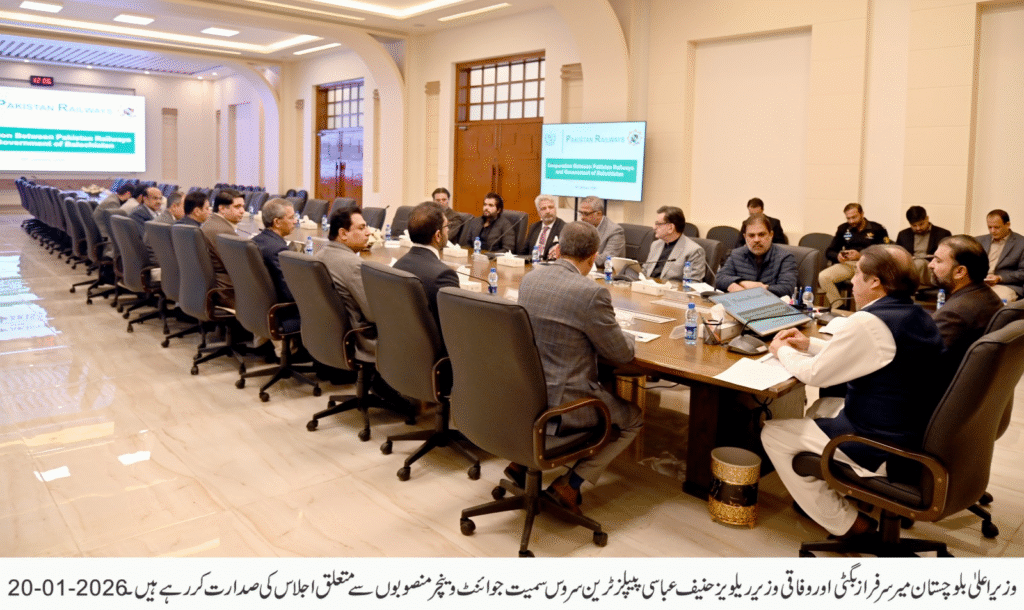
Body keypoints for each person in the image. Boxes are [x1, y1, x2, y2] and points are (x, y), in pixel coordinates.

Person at [761, 245, 943, 538]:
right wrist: (808, 345)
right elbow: (872, 353)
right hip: (911, 434)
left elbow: (814, 374)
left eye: (858, 273)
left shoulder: (868, 322)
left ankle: (849, 525)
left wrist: (781, 350)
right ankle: (830, 489)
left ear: (875, 282)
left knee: (772, 434)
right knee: (820, 408)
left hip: (880, 446)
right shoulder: (916, 314)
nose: (852, 280)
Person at [516, 221, 643, 513]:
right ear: (594, 256)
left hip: (528, 394)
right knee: (633, 418)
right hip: (565, 403)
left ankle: (519, 464)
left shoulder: (530, 279)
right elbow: (621, 353)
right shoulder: (591, 293)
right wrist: (627, 334)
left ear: (559, 249)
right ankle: (570, 485)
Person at [316, 206, 410, 408]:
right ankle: (394, 387)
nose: (369, 232)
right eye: (362, 227)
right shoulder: (353, 265)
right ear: (343, 233)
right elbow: (373, 314)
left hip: (330, 334)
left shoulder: (321, 254)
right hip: (359, 338)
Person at [928, 235, 1003, 379]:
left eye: (938, 261)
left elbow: (921, 362)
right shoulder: (987, 295)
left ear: (960, 272)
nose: (930, 265)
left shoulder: (954, 314)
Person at [394, 202, 460, 326]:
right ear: (438, 235)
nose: (448, 230)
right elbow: (456, 324)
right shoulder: (444, 276)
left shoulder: (397, 265)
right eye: (446, 226)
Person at [819, 203, 889, 307]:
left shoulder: (877, 229)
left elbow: (885, 252)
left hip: (868, 266)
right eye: (848, 218)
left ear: (862, 214)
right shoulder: (843, 228)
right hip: (848, 264)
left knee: (861, 286)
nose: (851, 221)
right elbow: (829, 251)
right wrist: (838, 256)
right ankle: (838, 306)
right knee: (823, 276)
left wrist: (861, 255)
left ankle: (860, 312)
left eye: (854, 217)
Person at [716, 213, 798, 297]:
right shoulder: (736, 254)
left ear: (771, 235)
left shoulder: (785, 257)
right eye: (751, 235)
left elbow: (788, 288)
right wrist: (742, 283)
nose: (756, 240)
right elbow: (719, 278)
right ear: (745, 237)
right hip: (741, 302)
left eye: (761, 234)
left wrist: (761, 288)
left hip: (770, 303)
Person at [201, 188, 246, 307]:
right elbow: (240, 268)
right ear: (222, 208)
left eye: (243, 206)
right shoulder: (223, 232)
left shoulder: (211, 223)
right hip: (227, 292)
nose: (242, 211)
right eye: (237, 207)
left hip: (213, 287)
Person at [642, 206, 706, 283]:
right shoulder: (655, 244)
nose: (654, 227)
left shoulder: (693, 251)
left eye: (658, 224)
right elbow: (644, 271)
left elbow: (692, 284)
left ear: (671, 228)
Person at [251, 198, 297, 305]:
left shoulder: (255, 240)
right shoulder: (278, 250)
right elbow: (289, 293)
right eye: (291, 218)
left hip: (256, 304)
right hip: (281, 310)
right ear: (277, 222)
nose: (295, 221)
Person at [895, 206, 951, 286]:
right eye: (914, 225)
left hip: (932, 268)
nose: (918, 228)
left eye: (921, 224)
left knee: (919, 263)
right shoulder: (903, 235)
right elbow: (897, 255)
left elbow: (947, 257)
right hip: (909, 267)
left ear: (927, 218)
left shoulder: (943, 234)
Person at [976, 209, 1024, 303]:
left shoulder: (1021, 243)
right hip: (979, 283)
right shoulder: (979, 241)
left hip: (1005, 285)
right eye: (989, 227)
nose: (992, 231)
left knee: (991, 301)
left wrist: (1000, 278)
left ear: (1007, 225)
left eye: (997, 227)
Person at [578, 195, 625, 262]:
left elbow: (606, 259)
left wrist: (578, 257)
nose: (582, 217)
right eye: (581, 213)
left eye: (586, 214)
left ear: (599, 214)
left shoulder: (615, 231)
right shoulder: (582, 227)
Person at [519, 194, 565, 259]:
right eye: (543, 209)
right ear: (539, 213)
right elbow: (524, 252)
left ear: (555, 209)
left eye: (551, 207)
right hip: (531, 263)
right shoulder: (534, 227)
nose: (548, 211)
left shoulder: (564, 228)